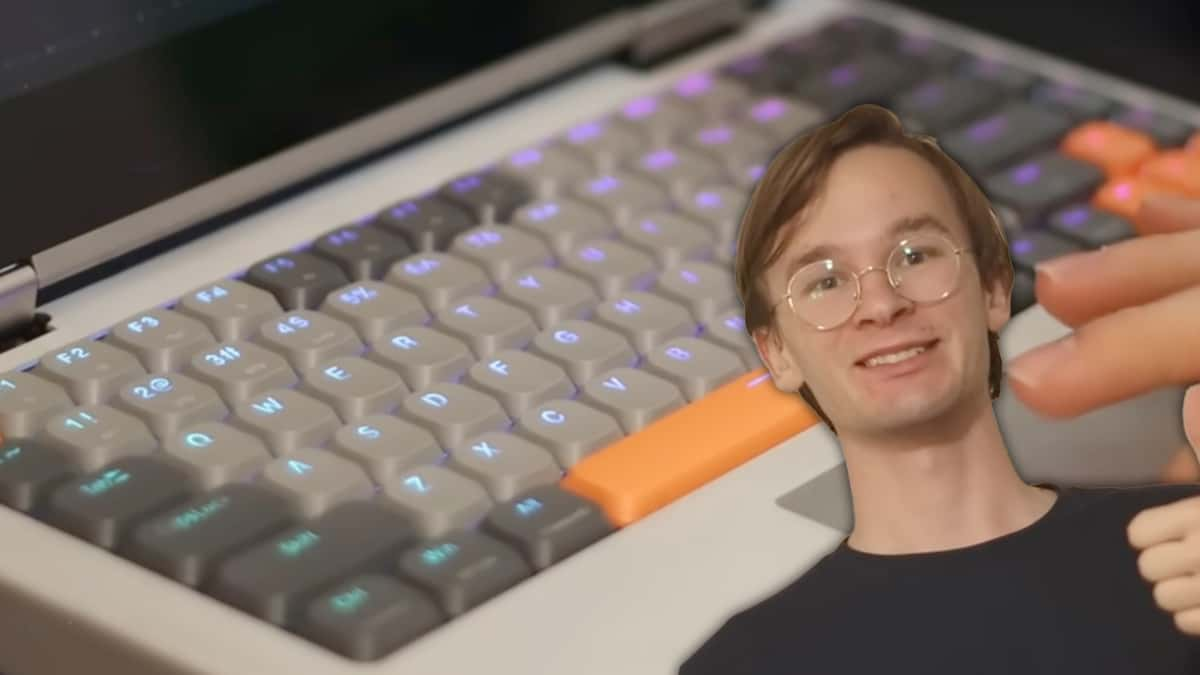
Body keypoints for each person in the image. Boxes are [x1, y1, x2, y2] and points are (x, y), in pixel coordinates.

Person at [677, 104, 1200, 675]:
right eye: (825, 281)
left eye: (915, 256)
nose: (881, 305)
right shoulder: (744, 664)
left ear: (994, 289)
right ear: (776, 352)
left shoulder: (1183, 546)